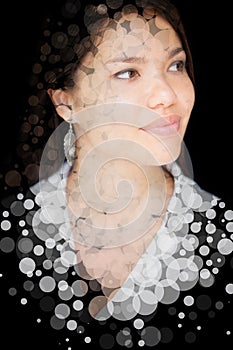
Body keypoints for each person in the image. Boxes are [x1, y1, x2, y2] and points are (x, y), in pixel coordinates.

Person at [0, 0, 232, 349]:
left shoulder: (223, 239)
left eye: (176, 65)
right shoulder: (13, 233)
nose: (167, 95)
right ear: (65, 103)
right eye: (128, 72)